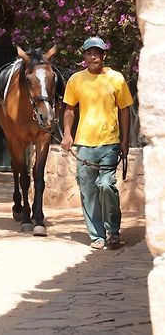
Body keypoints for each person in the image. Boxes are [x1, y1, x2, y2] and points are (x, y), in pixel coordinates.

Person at [60, 36, 133, 250]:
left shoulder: (116, 79)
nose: (93, 56)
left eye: (97, 53)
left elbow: (125, 110)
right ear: (84, 56)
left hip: (109, 143)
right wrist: (67, 134)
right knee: (88, 191)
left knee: (106, 185)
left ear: (103, 55)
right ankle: (97, 236)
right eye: (89, 53)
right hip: (84, 145)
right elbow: (69, 108)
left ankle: (113, 231)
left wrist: (125, 140)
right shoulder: (75, 80)